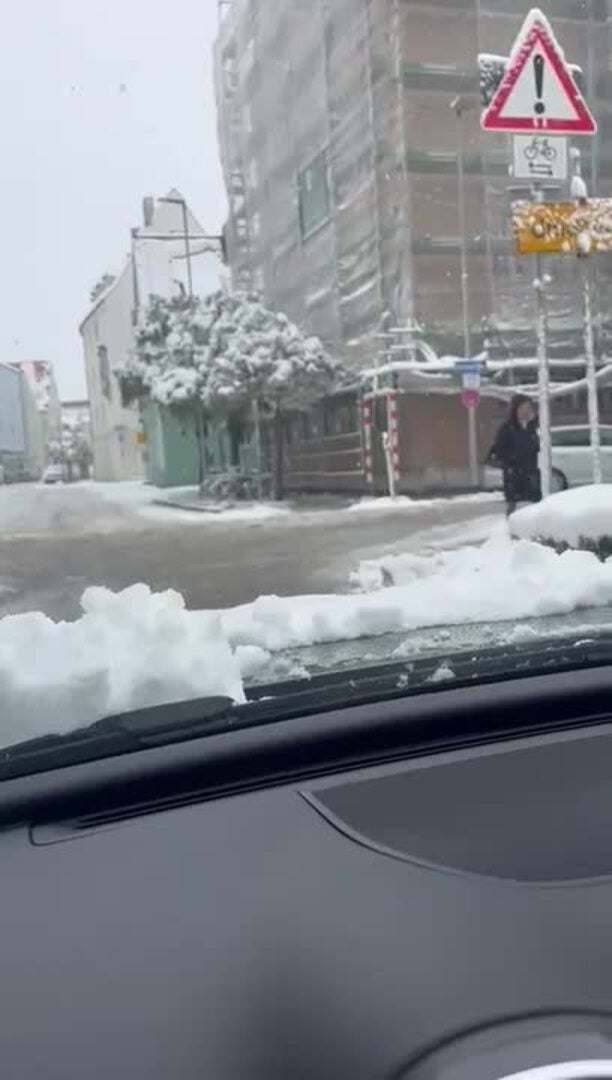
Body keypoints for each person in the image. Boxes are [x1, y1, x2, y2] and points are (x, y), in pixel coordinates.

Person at [487, 395, 541, 517]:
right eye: (522, 408)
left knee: (534, 506)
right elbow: (500, 451)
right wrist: (517, 456)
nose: (526, 411)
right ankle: (511, 531)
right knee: (515, 508)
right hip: (514, 474)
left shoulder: (533, 427)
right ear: (515, 410)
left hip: (532, 473)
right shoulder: (506, 428)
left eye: (529, 408)